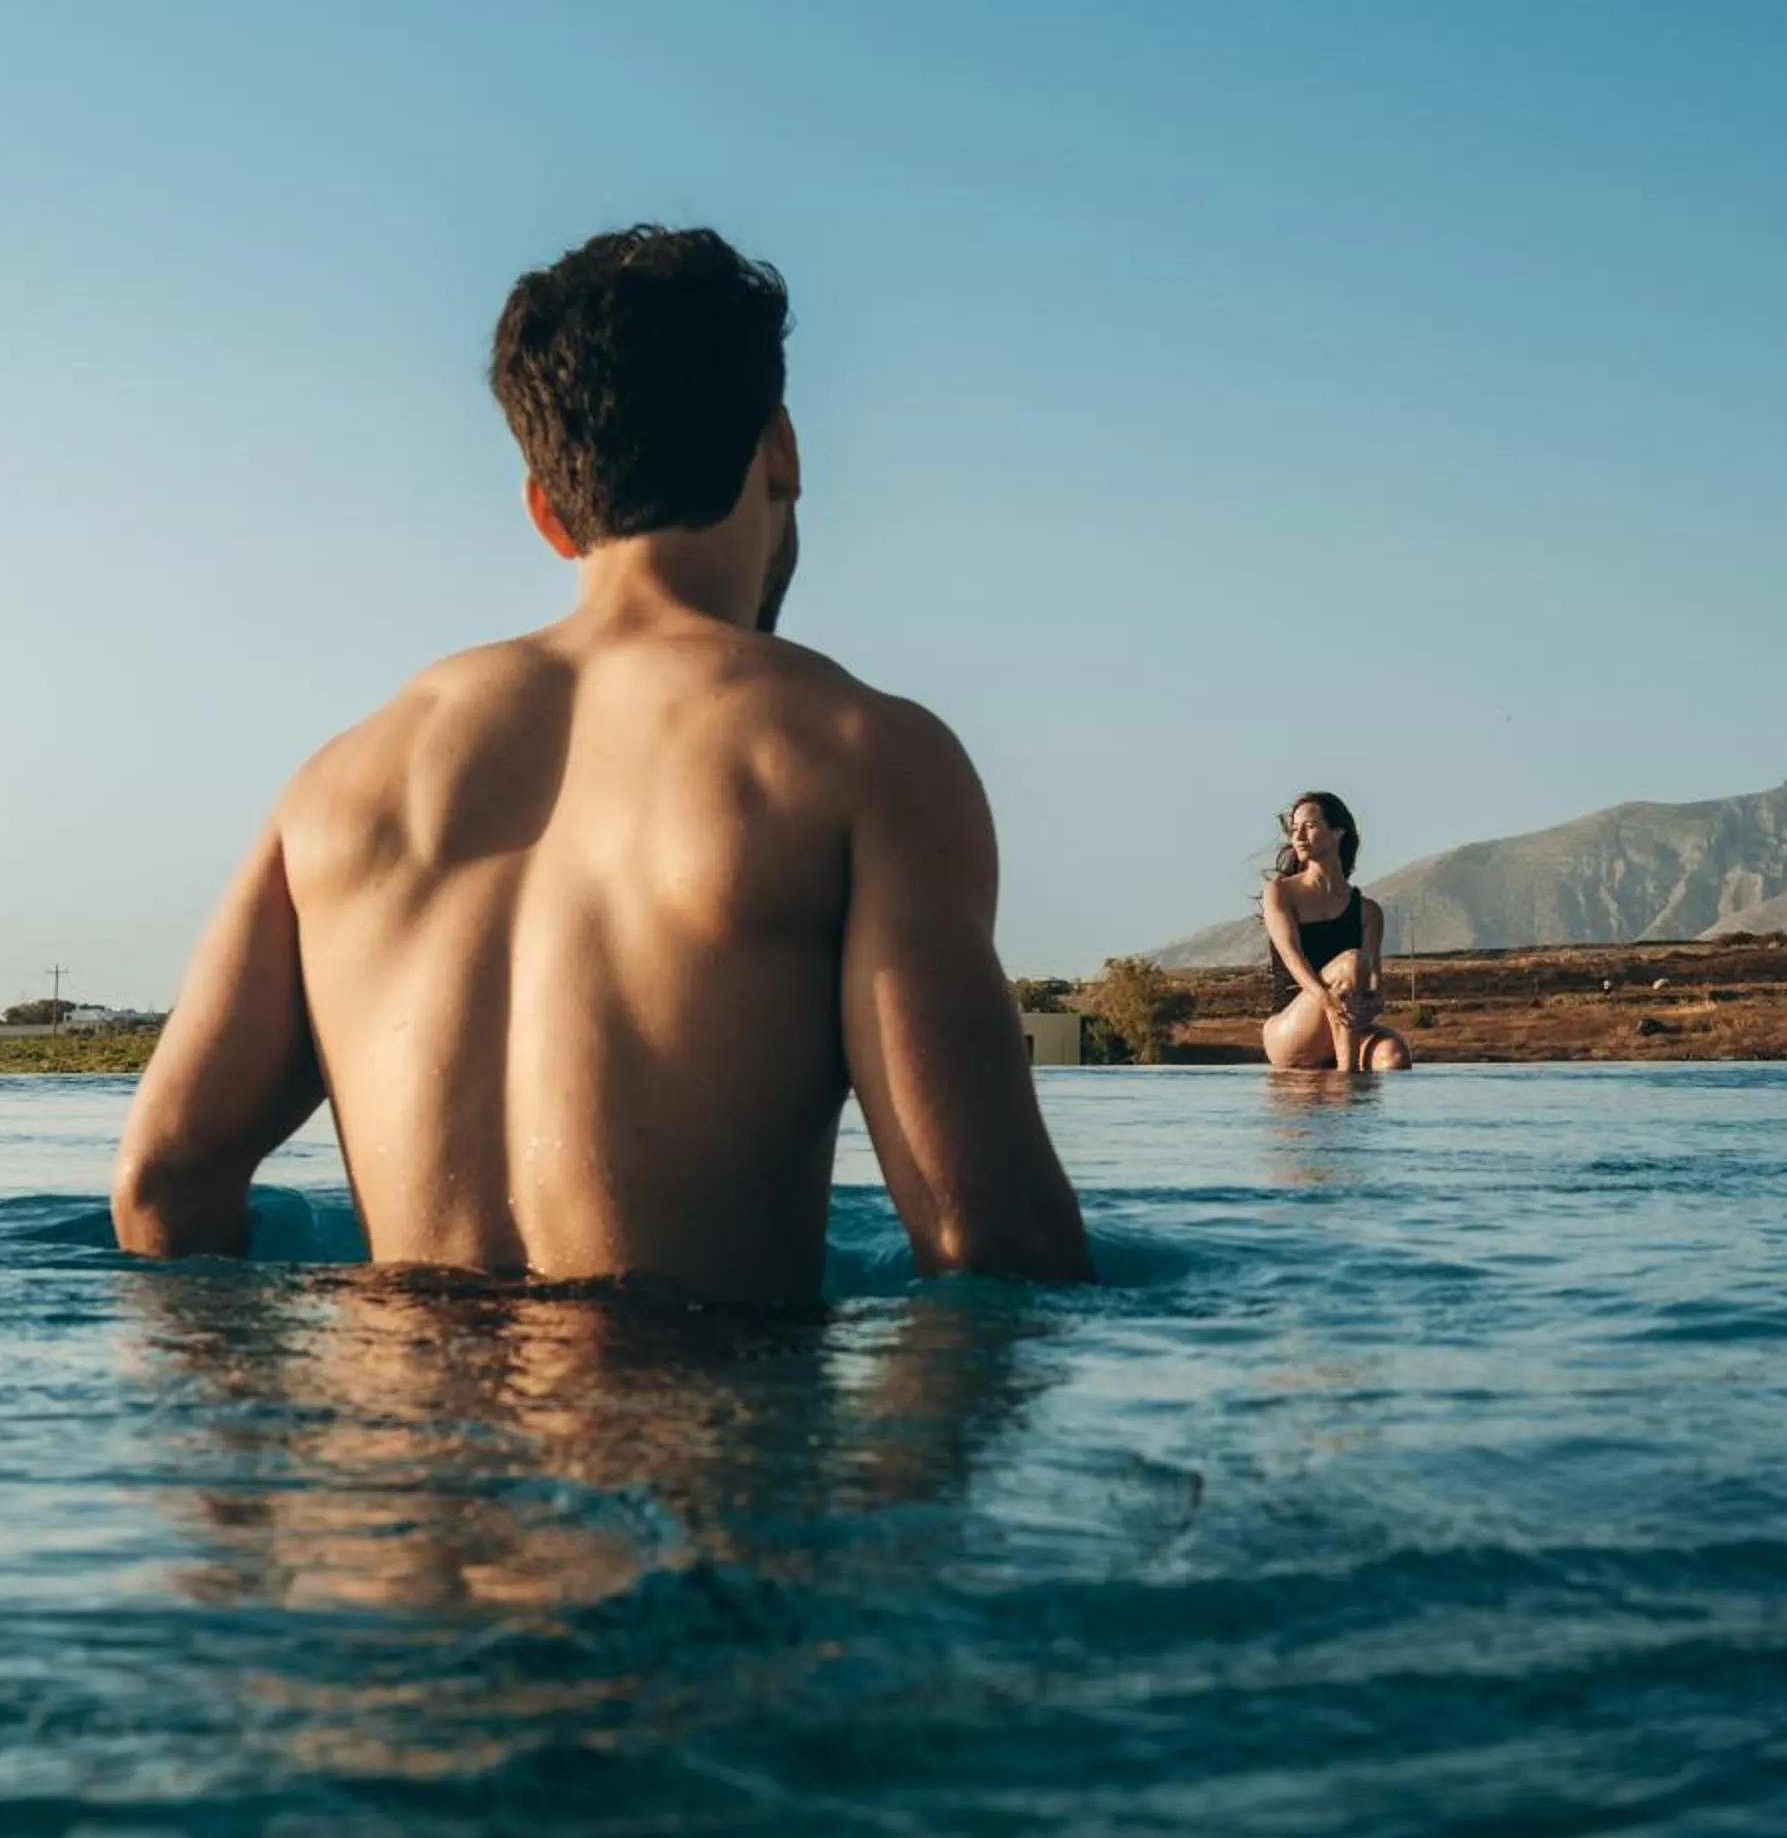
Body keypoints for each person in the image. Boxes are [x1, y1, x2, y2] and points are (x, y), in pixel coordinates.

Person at [113, 226, 1091, 1297]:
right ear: (782, 447)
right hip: (695, 1447)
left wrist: (288, 1467)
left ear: (545, 507)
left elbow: (164, 1181)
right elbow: (992, 1239)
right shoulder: (862, 754)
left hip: (391, 1459)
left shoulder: (341, 782)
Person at [1259, 791, 1414, 1073]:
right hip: (1292, 1027)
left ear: (1337, 832)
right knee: (1351, 962)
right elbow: (1292, 957)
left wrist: (1374, 1002)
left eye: (1311, 826)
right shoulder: (1280, 892)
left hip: (1344, 1025)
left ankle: (1350, 1069)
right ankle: (1348, 1079)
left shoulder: (1368, 911)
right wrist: (1325, 998)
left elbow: (1375, 984)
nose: (1300, 837)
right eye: (1295, 830)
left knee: (1394, 1057)